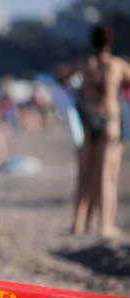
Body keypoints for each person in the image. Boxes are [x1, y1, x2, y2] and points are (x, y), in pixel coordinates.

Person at [59, 25, 130, 237]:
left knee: (83, 176)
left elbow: (60, 77)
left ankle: (78, 224)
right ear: (111, 42)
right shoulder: (118, 65)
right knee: (105, 178)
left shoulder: (82, 64)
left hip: (86, 119)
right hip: (109, 120)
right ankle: (105, 225)